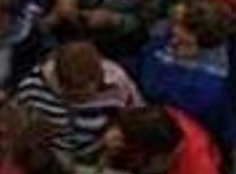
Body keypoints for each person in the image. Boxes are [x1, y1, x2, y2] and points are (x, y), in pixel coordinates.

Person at [139, 0, 236, 159]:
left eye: (185, 43)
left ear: (207, 50)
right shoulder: (167, 42)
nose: (172, 43)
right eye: (174, 34)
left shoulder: (210, 90)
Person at [14, 39, 142, 166]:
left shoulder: (117, 83)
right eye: (71, 91)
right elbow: (18, 123)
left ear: (98, 77)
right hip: (50, 158)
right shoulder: (33, 86)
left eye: (83, 90)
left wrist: (115, 130)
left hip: (99, 157)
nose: (78, 97)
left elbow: (136, 118)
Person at [103, 105, 224, 174]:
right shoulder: (162, 119)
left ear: (166, 157)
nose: (134, 163)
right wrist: (113, 133)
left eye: (143, 162)